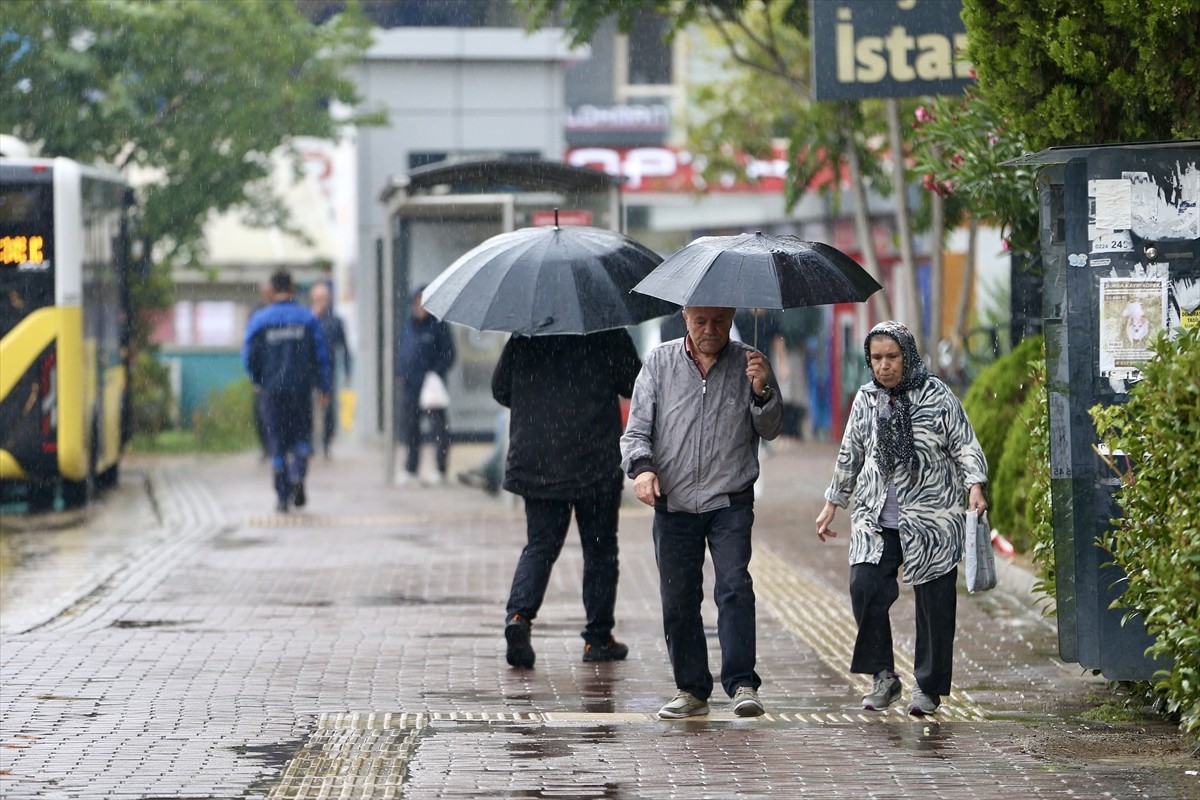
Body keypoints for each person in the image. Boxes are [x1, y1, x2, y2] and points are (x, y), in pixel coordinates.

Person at [814, 320, 988, 716]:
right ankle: (884, 676)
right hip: (876, 516)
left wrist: (975, 484)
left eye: (892, 357)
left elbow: (964, 443)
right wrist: (832, 502)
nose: (884, 366)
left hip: (932, 518)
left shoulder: (937, 395)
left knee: (935, 604)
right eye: (876, 358)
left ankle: (927, 688)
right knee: (864, 587)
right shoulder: (865, 399)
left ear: (907, 355)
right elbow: (851, 453)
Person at [620, 306, 783, 719]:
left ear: (730, 318)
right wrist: (642, 469)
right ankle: (691, 689)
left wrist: (763, 391)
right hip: (672, 502)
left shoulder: (750, 361)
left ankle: (743, 682)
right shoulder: (658, 362)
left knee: (733, 587)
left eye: (719, 321)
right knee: (678, 599)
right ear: (685, 318)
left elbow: (771, 428)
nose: (710, 330)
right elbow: (636, 429)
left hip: (729, 499)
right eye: (700, 322)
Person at [494, 329, 642, 668]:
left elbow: (501, 389)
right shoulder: (606, 332)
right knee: (600, 551)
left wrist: (540, 398)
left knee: (540, 546)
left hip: (539, 461)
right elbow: (633, 384)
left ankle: (519, 616)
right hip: (594, 460)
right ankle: (597, 638)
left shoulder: (526, 334)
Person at [243, 269, 331, 513]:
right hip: (300, 392)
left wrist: (259, 379)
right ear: (292, 289)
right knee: (302, 439)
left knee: (277, 444)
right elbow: (321, 356)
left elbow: (249, 357)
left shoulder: (259, 321)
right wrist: (323, 387)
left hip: (271, 392)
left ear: (272, 289)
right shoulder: (308, 319)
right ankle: (297, 475)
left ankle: (282, 497)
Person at [396, 286, 456, 486]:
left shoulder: (438, 325)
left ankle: (440, 469)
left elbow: (449, 354)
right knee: (411, 429)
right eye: (416, 302)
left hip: (431, 387)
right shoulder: (408, 325)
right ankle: (410, 469)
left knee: (439, 429)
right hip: (411, 386)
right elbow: (403, 351)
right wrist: (401, 374)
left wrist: (434, 373)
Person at [308, 281, 352, 458]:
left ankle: (326, 443)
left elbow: (345, 347)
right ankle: (309, 442)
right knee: (309, 409)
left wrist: (347, 370)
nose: (321, 302)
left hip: (328, 371)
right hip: (309, 371)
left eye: (323, 298)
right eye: (317, 298)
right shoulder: (307, 319)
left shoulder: (336, 321)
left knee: (328, 409)